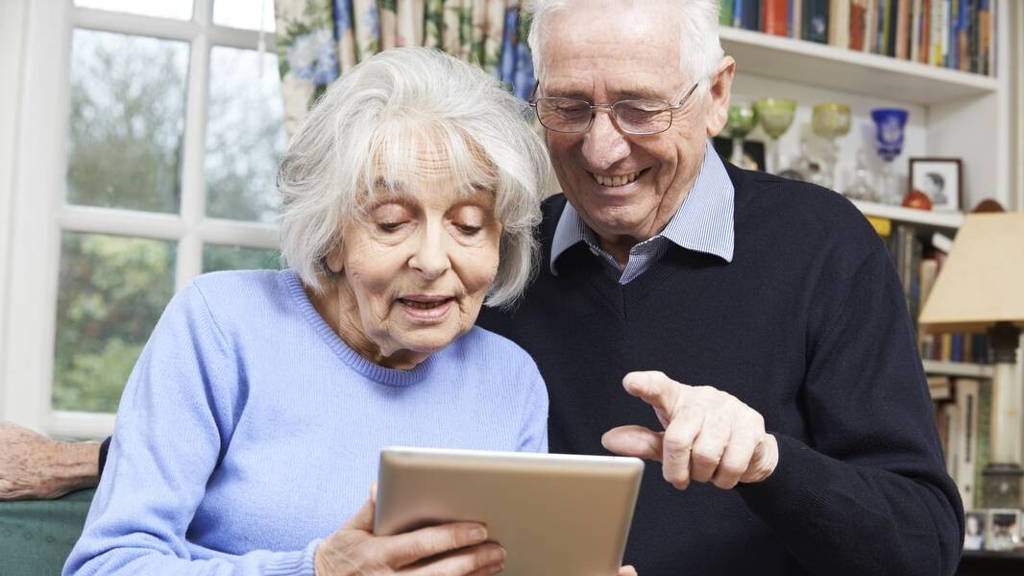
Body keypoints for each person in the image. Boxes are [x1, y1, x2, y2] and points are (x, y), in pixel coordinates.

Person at [3, 1, 963, 574]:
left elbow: (924, 543)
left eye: (637, 107)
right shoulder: (511, 270)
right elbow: (304, 409)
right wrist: (100, 459)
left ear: (714, 93)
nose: (600, 147)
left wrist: (766, 462)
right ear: (332, 232)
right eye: (569, 107)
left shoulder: (822, 246)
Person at [60, 47, 565, 576]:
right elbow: (106, 565)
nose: (434, 260)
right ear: (331, 239)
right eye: (392, 223)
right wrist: (318, 571)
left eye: (467, 225)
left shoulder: (510, 379)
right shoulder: (220, 325)